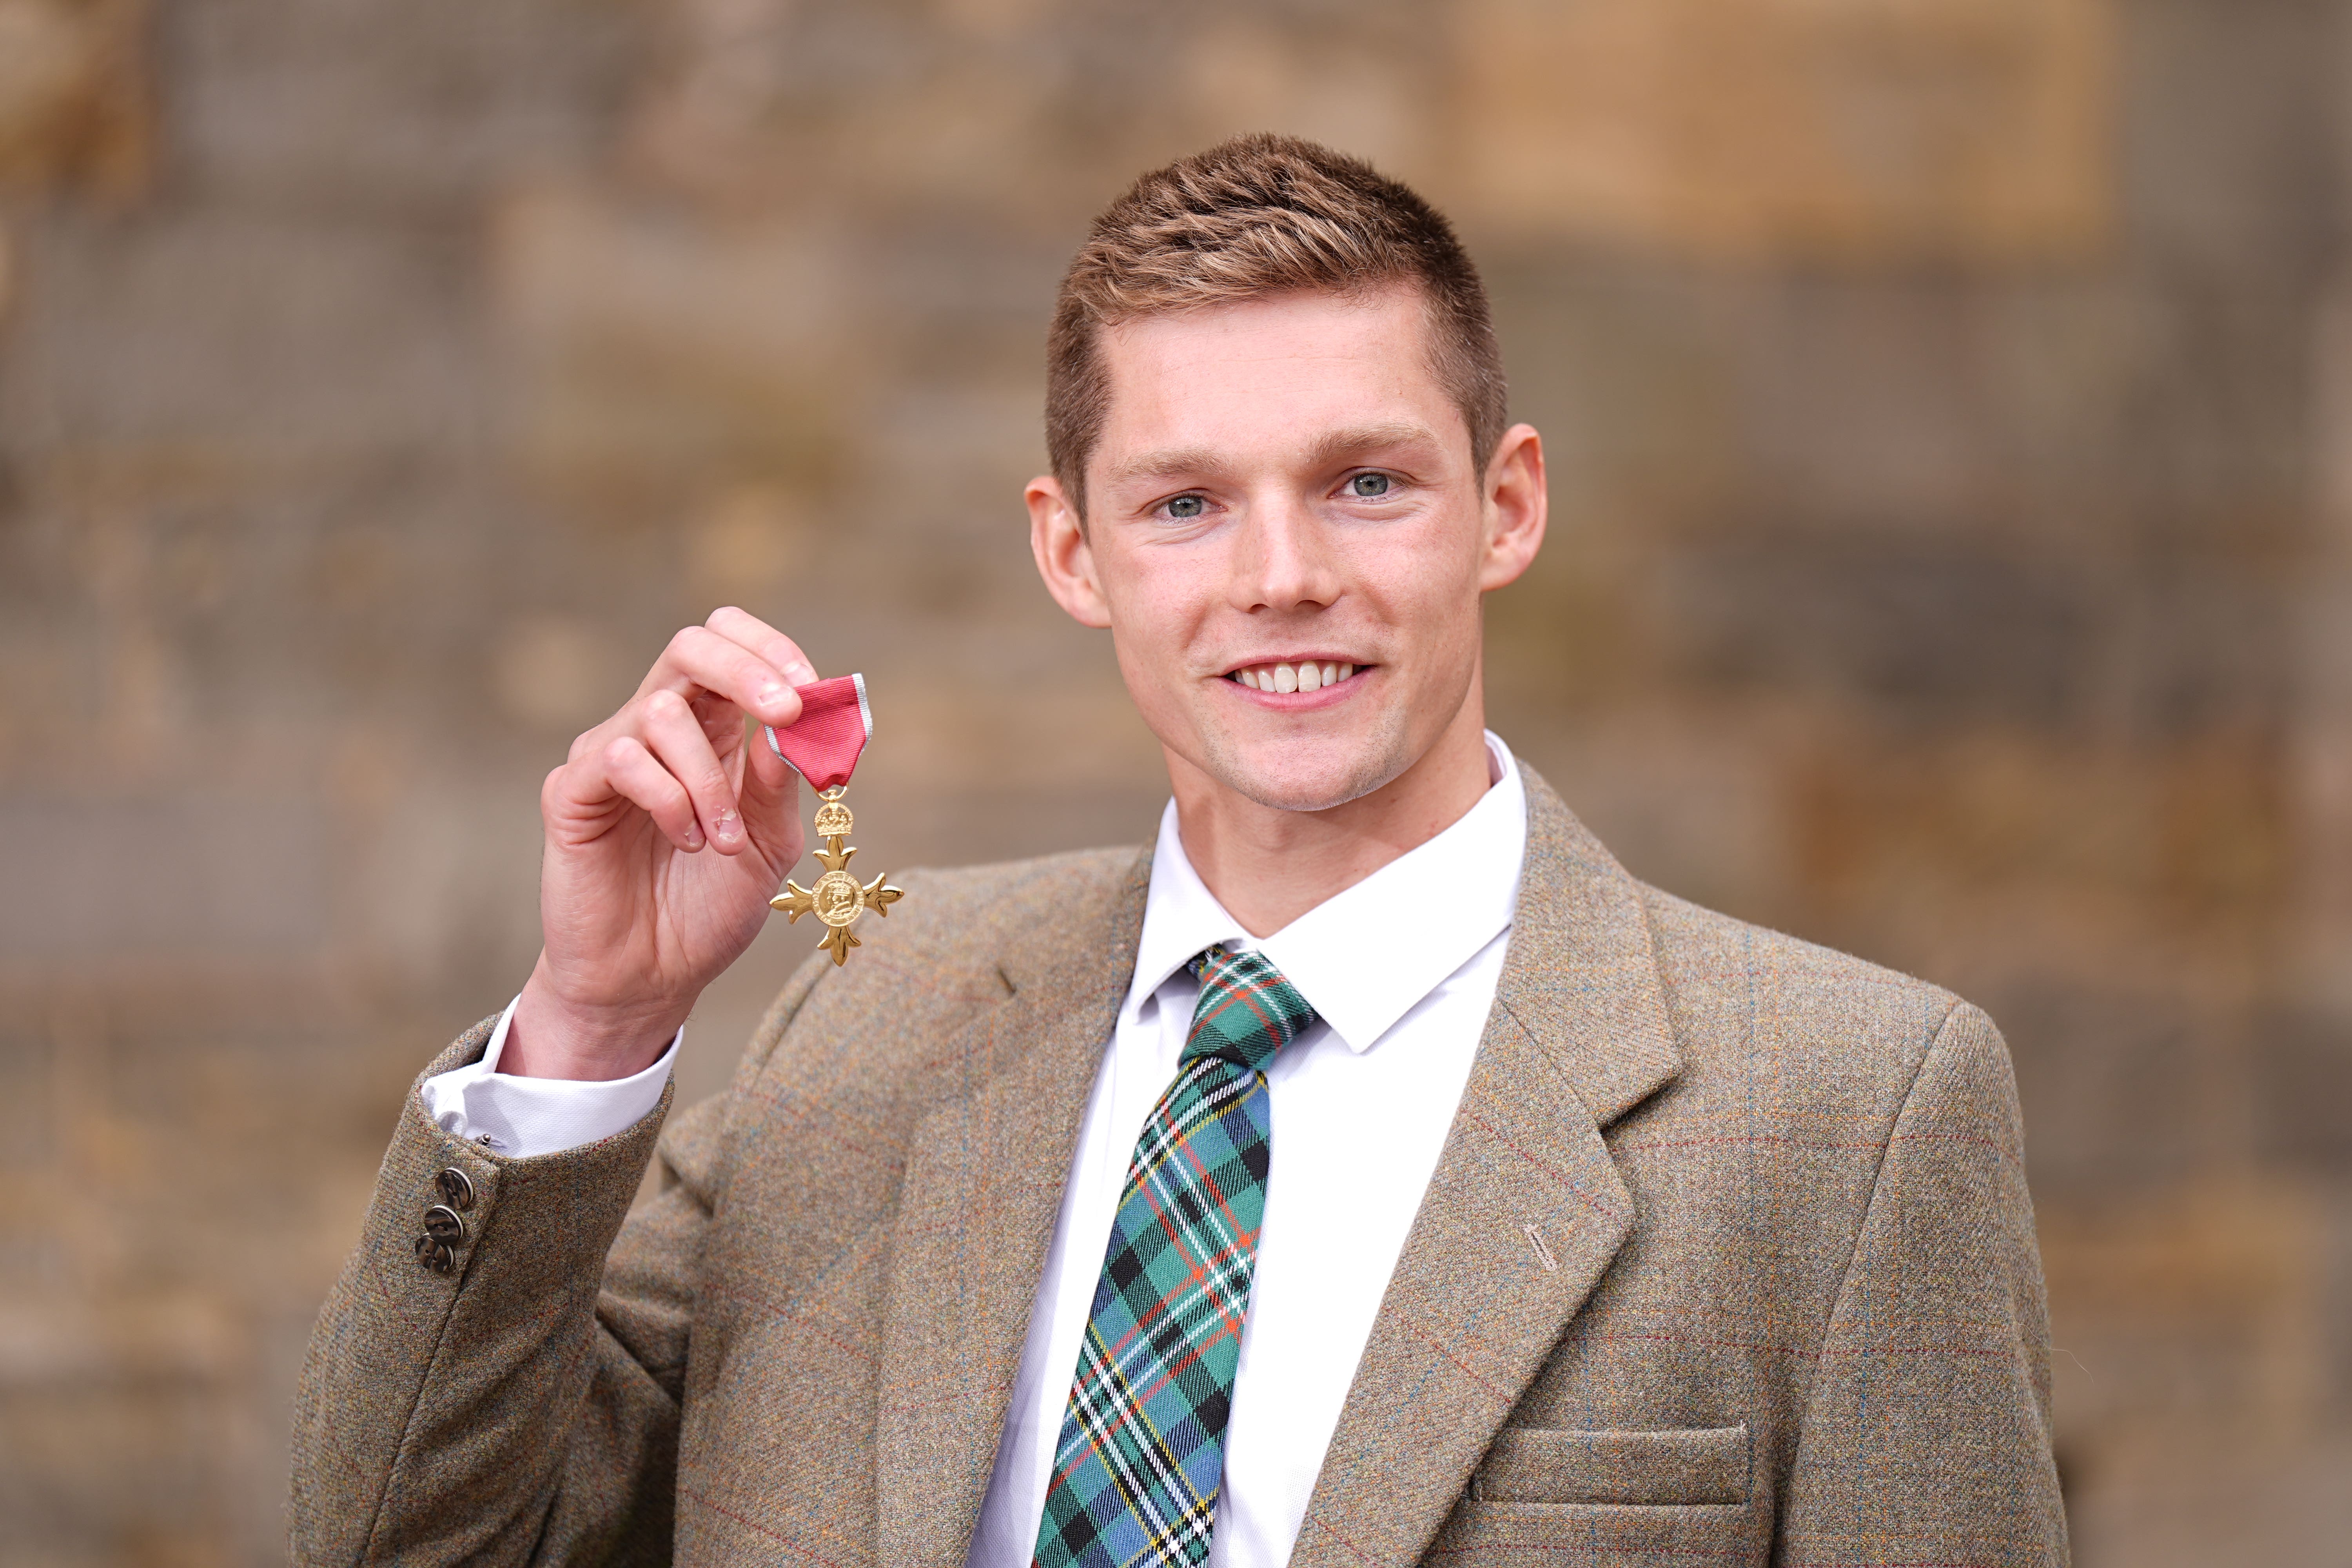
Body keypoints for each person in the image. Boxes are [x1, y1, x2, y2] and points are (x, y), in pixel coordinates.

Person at [290, 135, 2065, 1568]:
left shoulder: (1855, 1112)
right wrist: (592, 1023)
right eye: (1187, 502)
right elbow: (409, 1545)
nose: (1281, 572)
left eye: (1368, 481)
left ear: (1506, 505)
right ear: (1075, 553)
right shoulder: (864, 1028)